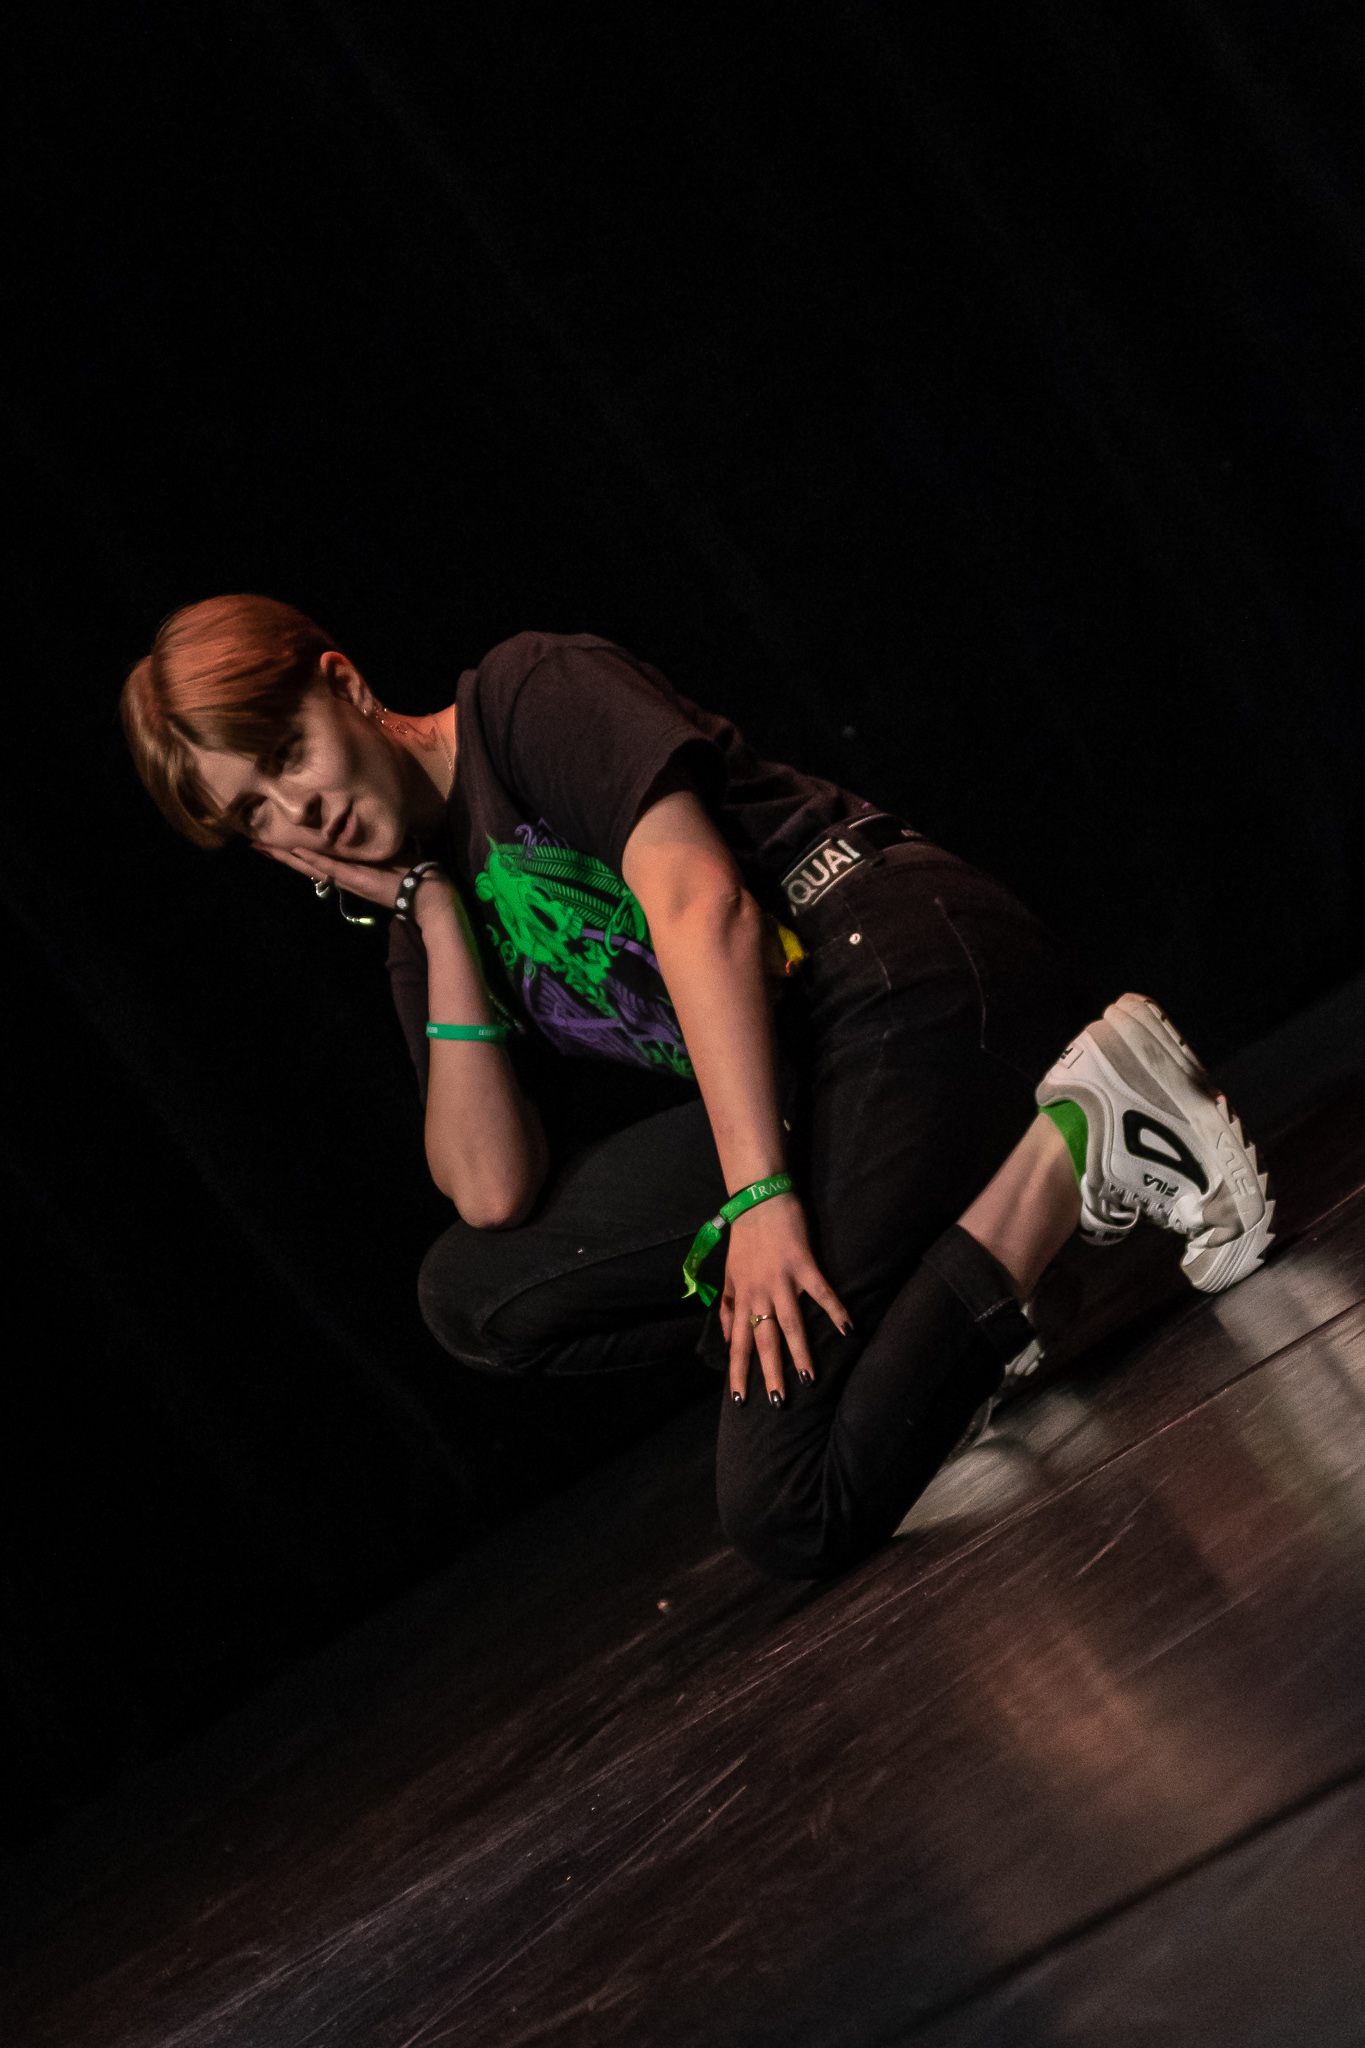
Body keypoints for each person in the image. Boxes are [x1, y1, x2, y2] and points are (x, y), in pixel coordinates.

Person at [121, 595, 1275, 1581]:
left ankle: (1087, 1131)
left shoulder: (524, 694)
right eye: (256, 814)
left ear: (344, 686)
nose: (299, 811)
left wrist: (758, 1196)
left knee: (790, 1501)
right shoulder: (426, 925)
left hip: (896, 961)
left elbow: (703, 905)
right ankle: (930, 1298)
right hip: (817, 1079)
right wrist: (431, 911)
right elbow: (488, 1189)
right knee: (471, 1295)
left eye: (288, 755)